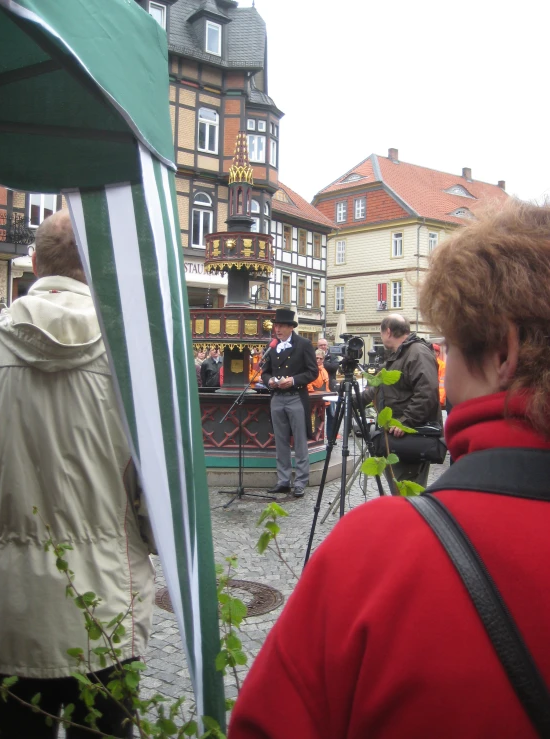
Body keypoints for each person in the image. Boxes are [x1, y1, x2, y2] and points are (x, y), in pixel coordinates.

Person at [229, 199, 550, 739]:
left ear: (503, 353)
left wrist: (397, 420)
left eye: (457, 344)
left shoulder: (381, 552)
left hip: (405, 449)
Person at [0, 211, 155, 739]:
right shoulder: (131, 359)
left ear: (35, 263)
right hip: (108, 601)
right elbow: (159, 494)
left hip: (9, 611)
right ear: (96, 268)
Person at [363, 313, 441, 487]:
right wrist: (351, 398)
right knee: (400, 489)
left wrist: (404, 421)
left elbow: (427, 393)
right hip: (398, 439)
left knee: (409, 492)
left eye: (381, 333)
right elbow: (378, 389)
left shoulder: (417, 352)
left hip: (411, 437)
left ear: (388, 332)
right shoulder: (398, 355)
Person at [261, 308, 318, 497]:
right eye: (276, 326)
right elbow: (265, 371)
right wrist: (268, 380)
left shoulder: (303, 344)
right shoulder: (272, 346)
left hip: (295, 396)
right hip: (277, 397)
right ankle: (283, 480)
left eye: (281, 326)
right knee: (281, 440)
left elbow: (312, 372)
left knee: (300, 441)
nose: (277, 329)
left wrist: (292, 380)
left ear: (290, 327)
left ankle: (301, 480)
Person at [317, 337, 339, 439]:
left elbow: (334, 367)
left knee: (331, 414)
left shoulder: (332, 356)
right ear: (318, 346)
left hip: (330, 390)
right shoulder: (314, 355)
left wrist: (322, 363)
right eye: (321, 345)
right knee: (317, 415)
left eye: (324, 345)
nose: (323, 347)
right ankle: (317, 436)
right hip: (317, 391)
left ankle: (331, 438)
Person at [433, 342, 447, 407]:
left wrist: (440, 400)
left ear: (438, 353)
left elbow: (443, 384)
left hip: (437, 397)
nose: (433, 353)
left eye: (435, 351)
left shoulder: (442, 365)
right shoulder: (425, 362)